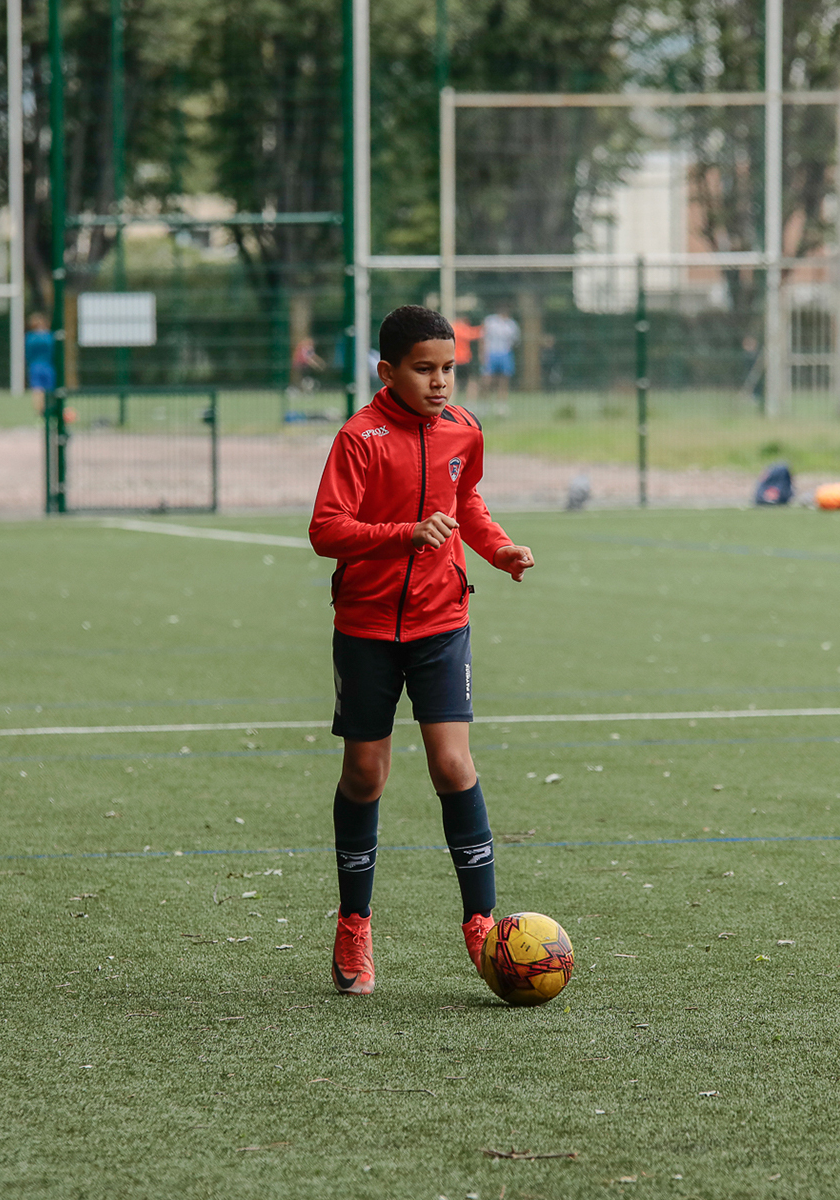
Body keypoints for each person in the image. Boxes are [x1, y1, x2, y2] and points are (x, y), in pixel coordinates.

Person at [309, 305, 536, 995]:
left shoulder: (465, 429)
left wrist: (498, 549)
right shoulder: (360, 438)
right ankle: (354, 923)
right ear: (388, 371)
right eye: (423, 369)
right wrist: (401, 535)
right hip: (368, 627)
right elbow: (326, 529)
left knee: (453, 764)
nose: (439, 382)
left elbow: (467, 504)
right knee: (365, 775)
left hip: (442, 621)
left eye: (448, 369)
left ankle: (482, 925)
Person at [480, 305, 519, 403]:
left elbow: (515, 341)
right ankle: (485, 401)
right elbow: (483, 338)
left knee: (504, 379)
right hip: (491, 352)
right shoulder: (490, 321)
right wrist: (482, 353)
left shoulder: (511, 324)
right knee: (487, 378)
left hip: (505, 353)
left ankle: (501, 402)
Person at [25, 313, 55, 414]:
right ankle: (49, 408)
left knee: (37, 389)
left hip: (34, 366)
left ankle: (39, 410)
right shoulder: (50, 337)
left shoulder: (29, 337)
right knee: (49, 389)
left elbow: (28, 354)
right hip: (48, 366)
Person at [451, 314, 482, 403]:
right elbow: (474, 334)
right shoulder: (461, 328)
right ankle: (470, 400)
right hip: (463, 360)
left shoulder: (452, 327)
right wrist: (482, 327)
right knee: (470, 380)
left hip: (455, 359)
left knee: (455, 381)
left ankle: (453, 400)